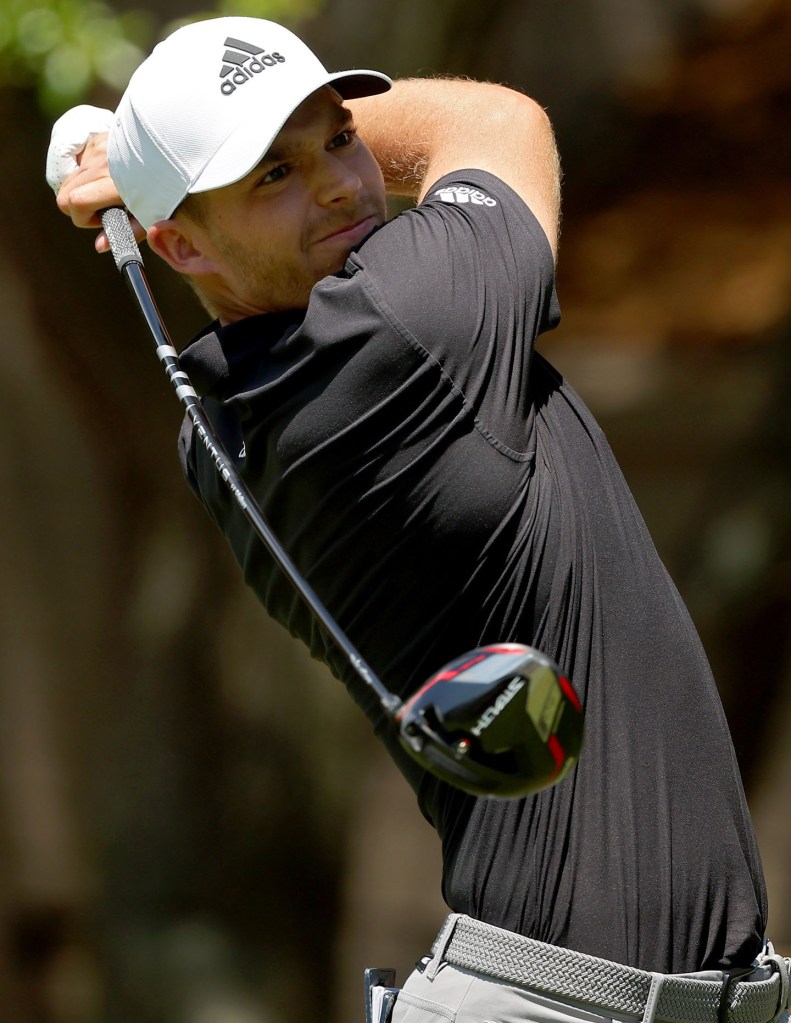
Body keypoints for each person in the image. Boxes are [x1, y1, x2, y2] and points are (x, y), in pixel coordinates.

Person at [48, 15, 789, 1023]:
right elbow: (490, 119)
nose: (343, 185)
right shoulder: (415, 320)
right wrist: (128, 157)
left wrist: (148, 163)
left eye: (337, 136)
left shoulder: (218, 435)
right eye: (273, 174)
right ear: (175, 243)